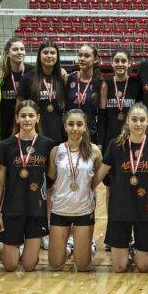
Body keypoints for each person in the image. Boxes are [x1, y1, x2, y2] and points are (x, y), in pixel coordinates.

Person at [98, 104, 148, 273]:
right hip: (120, 209)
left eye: (142, 120)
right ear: (127, 121)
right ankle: (127, 249)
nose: (138, 124)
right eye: (134, 119)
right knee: (119, 268)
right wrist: (84, 189)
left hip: (145, 210)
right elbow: (100, 174)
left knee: (143, 267)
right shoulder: (115, 145)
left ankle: (135, 249)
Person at [0, 102, 53, 273]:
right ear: (17, 118)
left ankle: (23, 253)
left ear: (38, 118)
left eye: (31, 115)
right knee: (11, 266)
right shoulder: (6, 145)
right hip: (13, 208)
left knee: (29, 265)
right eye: (23, 115)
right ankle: (3, 247)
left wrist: (49, 212)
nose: (27, 119)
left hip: (36, 209)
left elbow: (50, 184)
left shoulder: (48, 145)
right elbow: (0, 181)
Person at [48, 109, 100, 273]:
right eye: (71, 124)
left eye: (79, 124)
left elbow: (98, 177)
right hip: (60, 210)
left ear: (85, 127)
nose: (75, 128)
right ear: (65, 126)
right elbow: (50, 183)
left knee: (83, 267)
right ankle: (70, 247)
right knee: (55, 265)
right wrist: (48, 211)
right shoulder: (56, 151)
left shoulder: (94, 151)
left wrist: (89, 193)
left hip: (83, 211)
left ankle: (88, 247)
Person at [23, 41, 69, 141]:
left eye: (52, 53)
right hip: (35, 133)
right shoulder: (28, 78)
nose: (49, 56)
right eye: (45, 53)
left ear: (57, 56)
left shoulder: (62, 78)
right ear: (39, 55)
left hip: (58, 133)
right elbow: (20, 108)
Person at [100, 49, 142, 148]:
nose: (120, 64)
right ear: (112, 63)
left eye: (123, 61)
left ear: (129, 63)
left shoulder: (136, 83)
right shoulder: (106, 84)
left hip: (131, 136)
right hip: (110, 137)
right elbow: (102, 116)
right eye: (116, 61)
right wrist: (100, 142)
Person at [65, 43, 103, 141]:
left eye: (86, 56)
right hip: (69, 134)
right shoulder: (68, 79)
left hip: (90, 134)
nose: (82, 58)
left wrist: (100, 142)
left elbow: (102, 115)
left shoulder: (100, 83)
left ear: (95, 60)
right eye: (80, 55)